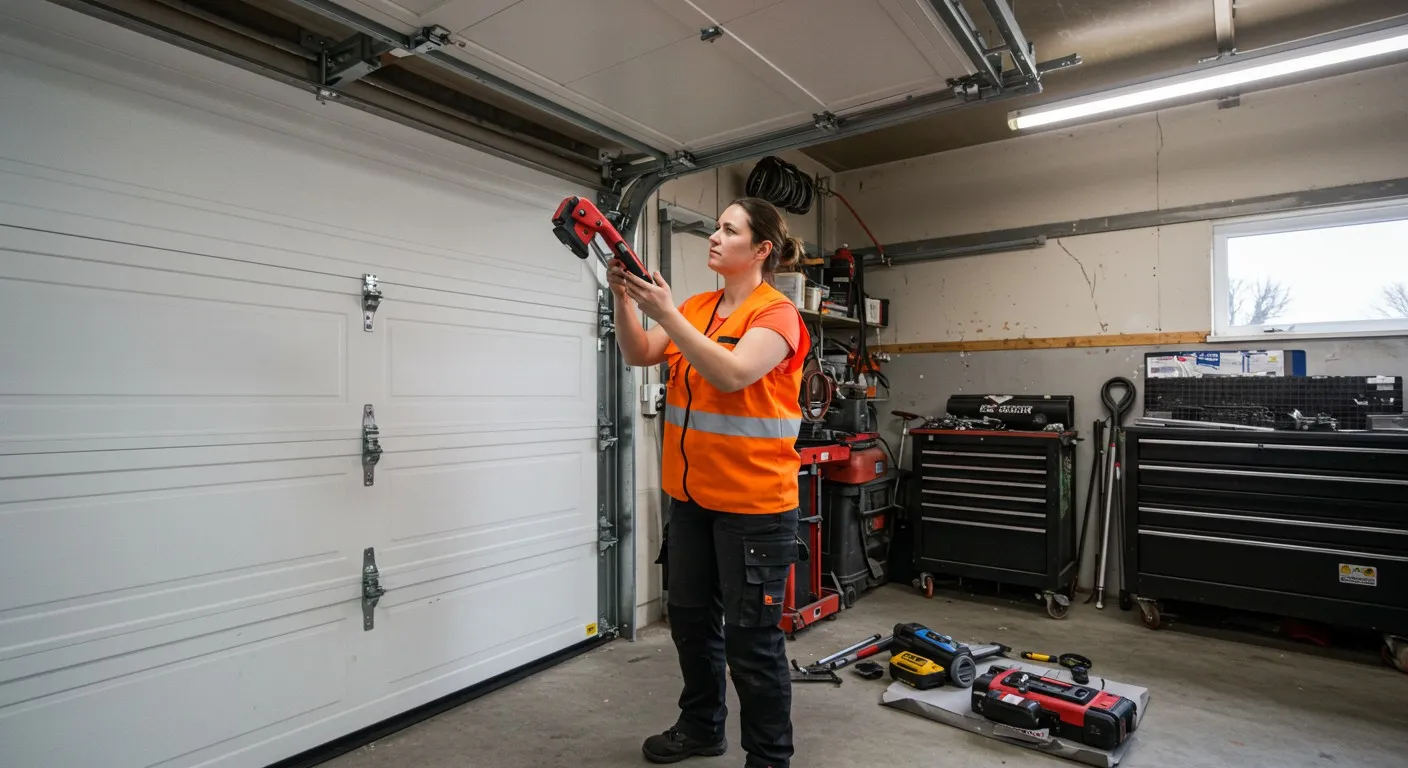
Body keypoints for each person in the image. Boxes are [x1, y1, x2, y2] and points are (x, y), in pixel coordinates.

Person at [608, 197, 812, 768]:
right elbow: (639, 350)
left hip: (756, 506)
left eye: (729, 229)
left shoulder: (777, 316)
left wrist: (666, 312)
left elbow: (731, 373)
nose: (715, 237)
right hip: (693, 501)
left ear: (761, 249)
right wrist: (624, 297)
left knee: (752, 643)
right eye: (715, 228)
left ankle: (769, 759)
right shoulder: (697, 307)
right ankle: (701, 728)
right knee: (692, 626)